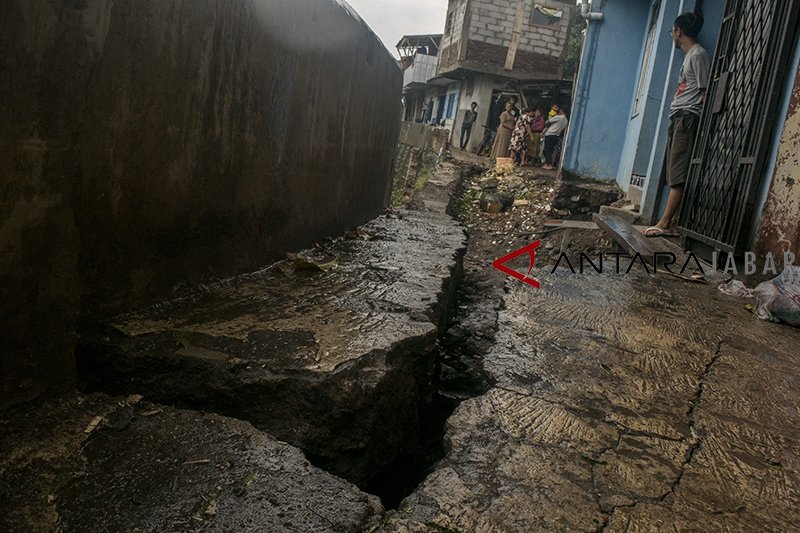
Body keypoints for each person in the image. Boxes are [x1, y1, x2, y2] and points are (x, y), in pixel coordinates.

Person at [644, 11, 710, 237]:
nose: (672, 35)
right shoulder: (690, 56)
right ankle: (669, 222)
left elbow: (704, 93)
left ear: (678, 31)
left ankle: (664, 223)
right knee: (674, 171)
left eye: (672, 31)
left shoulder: (698, 55)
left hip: (687, 118)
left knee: (678, 173)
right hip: (680, 117)